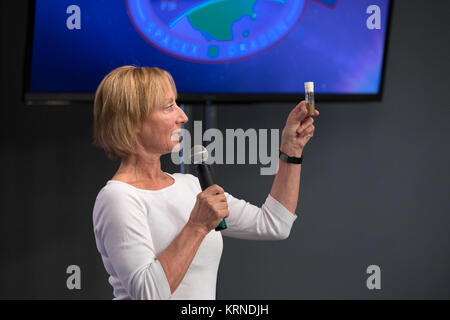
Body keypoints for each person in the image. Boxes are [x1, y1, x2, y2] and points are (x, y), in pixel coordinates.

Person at [92, 65, 319, 300]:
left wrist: (291, 151)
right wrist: (197, 227)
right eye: (169, 107)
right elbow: (149, 294)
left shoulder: (190, 185)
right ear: (133, 121)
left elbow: (274, 224)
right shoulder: (118, 197)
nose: (183, 116)